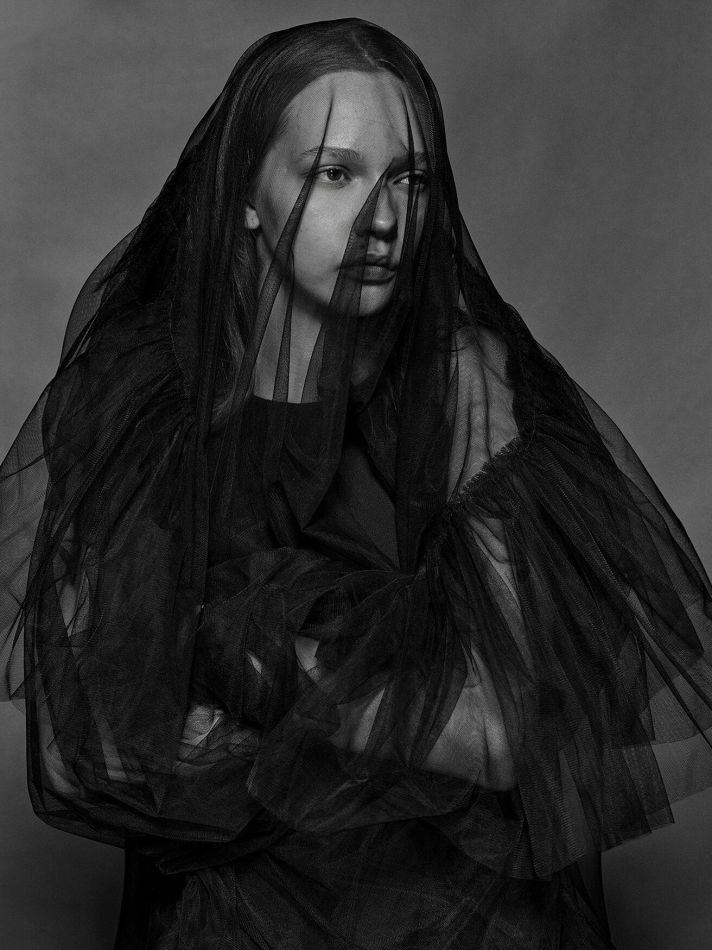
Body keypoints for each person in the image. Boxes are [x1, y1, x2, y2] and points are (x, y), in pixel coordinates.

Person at [1, 17, 711, 949]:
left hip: (456, 923)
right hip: (225, 923)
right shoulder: (141, 400)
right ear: (245, 191)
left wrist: (250, 671)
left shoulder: (466, 387)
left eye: (409, 178)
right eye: (334, 173)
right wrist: (376, 706)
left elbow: (505, 734)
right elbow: (88, 753)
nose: (382, 218)